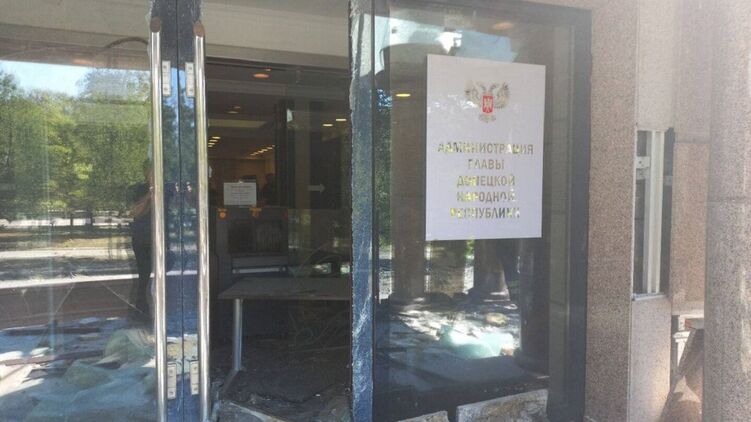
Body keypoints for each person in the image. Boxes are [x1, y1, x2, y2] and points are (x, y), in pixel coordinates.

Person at [127, 161, 152, 323]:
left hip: (161, 239)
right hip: (142, 238)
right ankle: (141, 314)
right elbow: (133, 212)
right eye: (151, 171)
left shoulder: (168, 189)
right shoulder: (138, 189)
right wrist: (149, 196)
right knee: (144, 276)